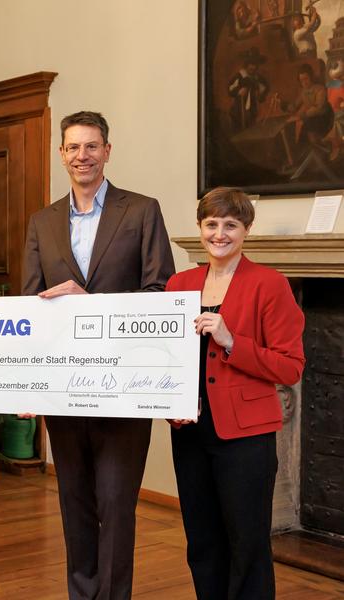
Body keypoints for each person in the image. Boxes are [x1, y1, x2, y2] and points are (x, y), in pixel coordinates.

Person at [21, 111, 174, 600]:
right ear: (61, 154)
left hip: (123, 387)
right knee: (75, 503)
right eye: (72, 148)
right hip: (63, 390)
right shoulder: (41, 221)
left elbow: (161, 293)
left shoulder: (142, 210)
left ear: (107, 151)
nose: (81, 156)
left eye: (91, 146)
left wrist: (96, 308)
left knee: (116, 501)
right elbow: (31, 306)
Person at [167, 187, 305, 599]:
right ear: (200, 228)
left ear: (246, 230)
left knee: (247, 544)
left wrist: (232, 341)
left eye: (231, 225)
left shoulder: (270, 284)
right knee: (202, 542)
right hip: (189, 429)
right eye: (212, 224)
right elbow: (168, 358)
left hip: (245, 437)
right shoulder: (179, 283)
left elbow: (290, 366)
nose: (220, 234)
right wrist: (170, 401)